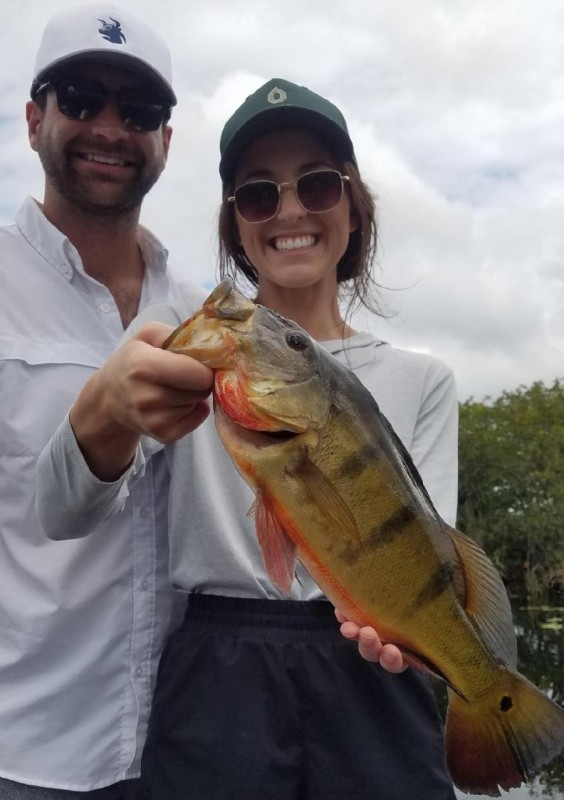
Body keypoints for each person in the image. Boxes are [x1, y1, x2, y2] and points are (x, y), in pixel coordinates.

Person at [37, 79, 459, 800]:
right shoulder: (185, 355)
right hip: (216, 674)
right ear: (235, 227)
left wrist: (417, 640)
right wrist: (102, 413)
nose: (290, 209)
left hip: (374, 672)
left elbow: (433, 552)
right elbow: (59, 513)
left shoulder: (425, 381)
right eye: (259, 194)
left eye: (318, 185)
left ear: (353, 210)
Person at [0, 4, 211, 799]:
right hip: (24, 752)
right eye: (81, 98)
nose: (111, 127)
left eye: (142, 110)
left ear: (165, 140)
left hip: (183, 746)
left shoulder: (200, 312)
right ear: (33, 120)